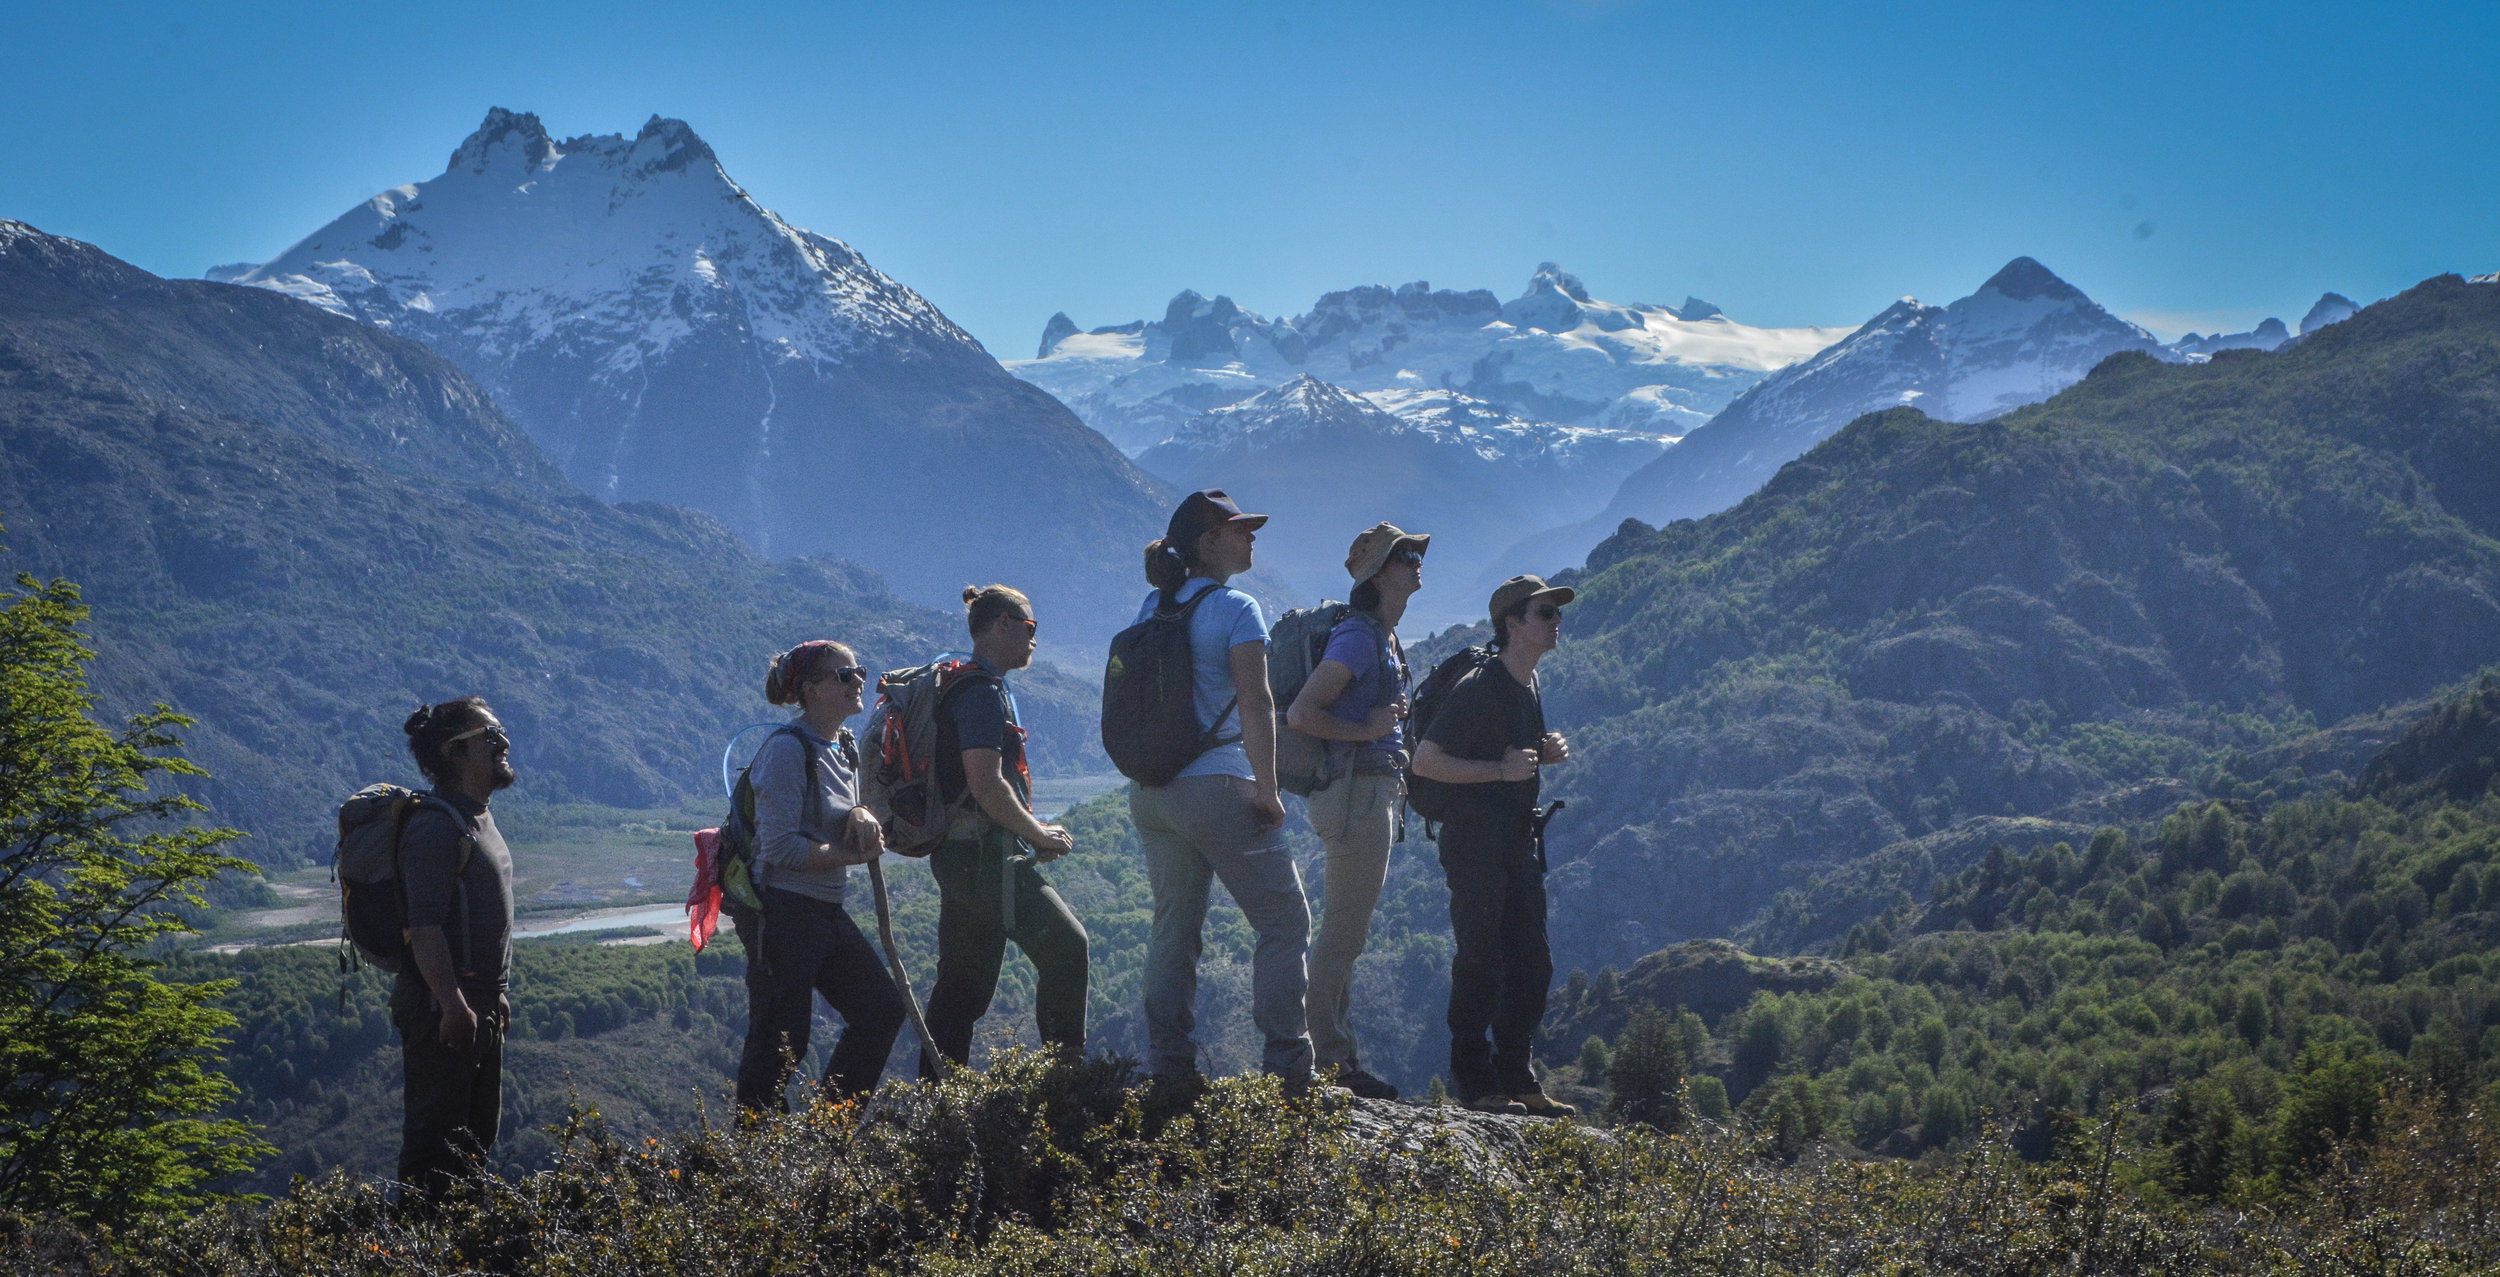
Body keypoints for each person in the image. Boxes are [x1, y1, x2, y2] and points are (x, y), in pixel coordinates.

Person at [1130, 490, 1320, 1091]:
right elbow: (1257, 702)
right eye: (1239, 529)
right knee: (1285, 922)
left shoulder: (1151, 607)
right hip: (1216, 786)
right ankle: (1288, 1069)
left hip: (1153, 792)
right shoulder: (1238, 607)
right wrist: (1268, 790)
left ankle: (1169, 1066)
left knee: (1174, 929)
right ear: (1208, 543)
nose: (1251, 537)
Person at [1411, 575, 1578, 1117]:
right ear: (1513, 624)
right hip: (1475, 842)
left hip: (1516, 840)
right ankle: (1477, 1083)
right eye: (1546, 613)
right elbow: (1426, 760)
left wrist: (1542, 753)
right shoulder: (1481, 687)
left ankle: (1517, 1075)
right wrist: (1499, 772)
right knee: (1482, 959)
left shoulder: (1527, 683)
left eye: (1556, 613)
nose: (1557, 622)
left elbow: (1515, 758)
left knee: (1533, 962)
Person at [920, 584, 1090, 1075]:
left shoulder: (966, 686)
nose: (1035, 639)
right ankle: (1065, 1084)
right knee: (1067, 947)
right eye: (1030, 628)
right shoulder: (980, 694)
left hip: (960, 859)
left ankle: (938, 1104)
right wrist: (1037, 834)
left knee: (961, 990)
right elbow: (987, 783)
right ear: (1002, 625)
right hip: (984, 860)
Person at [1284, 523, 1426, 1101]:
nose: (1418, 561)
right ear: (1379, 574)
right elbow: (1301, 712)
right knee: (1344, 933)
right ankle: (1331, 1061)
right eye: (1405, 555)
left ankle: (1334, 1055)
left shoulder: (1381, 637)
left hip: (1368, 793)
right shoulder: (1359, 639)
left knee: (1348, 930)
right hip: (1357, 794)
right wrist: (1365, 728)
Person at [734, 640, 907, 1112]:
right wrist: (853, 855)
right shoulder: (786, 752)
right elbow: (781, 848)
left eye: (859, 671)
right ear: (810, 691)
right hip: (783, 910)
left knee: (881, 1011)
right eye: (844, 675)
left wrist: (857, 811)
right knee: (779, 1045)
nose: (858, 682)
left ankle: (826, 1141)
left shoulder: (840, 745)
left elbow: (831, 806)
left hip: (822, 909)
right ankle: (752, 1164)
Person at [393, 697, 518, 1199]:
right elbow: (423, 929)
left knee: (472, 1143)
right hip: (443, 1012)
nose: (504, 745)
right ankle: (421, 1245)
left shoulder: (476, 818)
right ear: (455, 751)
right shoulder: (436, 827)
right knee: (435, 1149)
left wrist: (495, 994)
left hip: (475, 1006)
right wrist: (452, 1004)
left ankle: (459, 1247)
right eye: (491, 737)